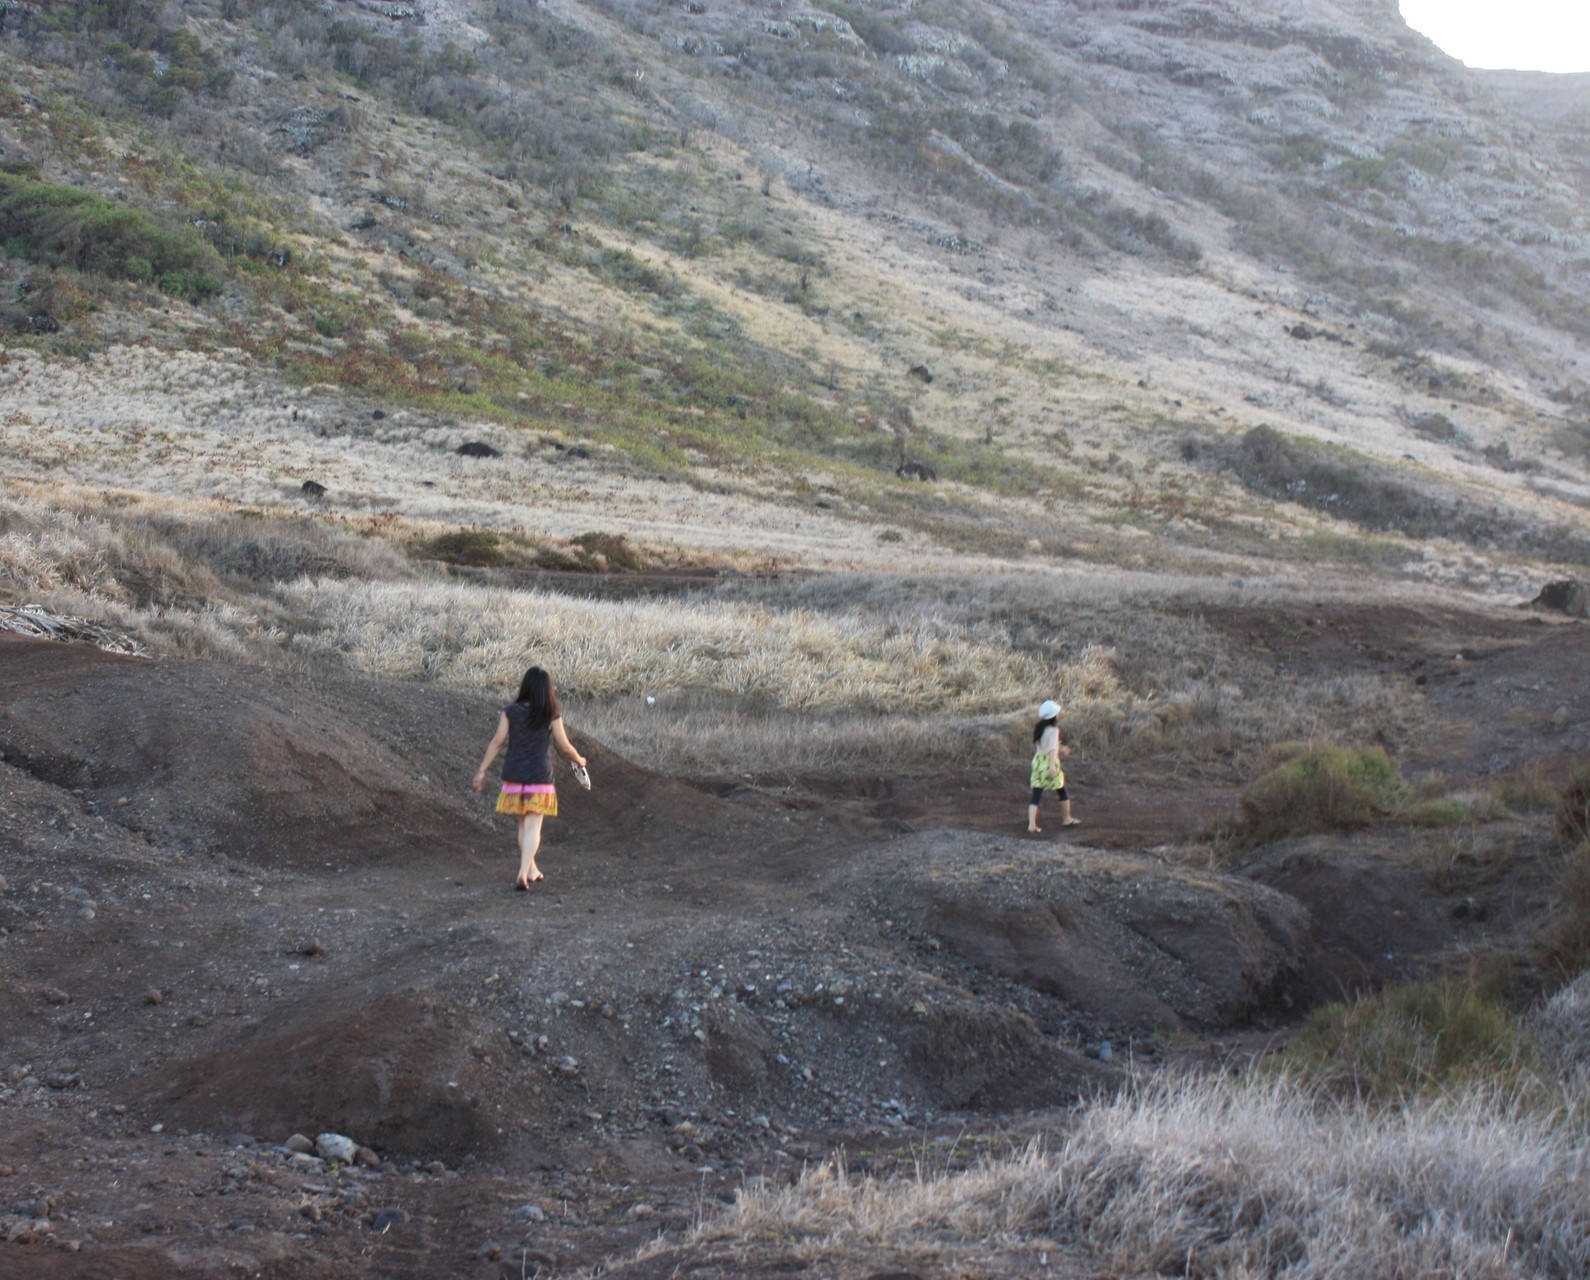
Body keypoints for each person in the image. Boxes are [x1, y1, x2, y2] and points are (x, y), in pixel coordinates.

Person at [473, 666, 587, 890]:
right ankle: (523, 873)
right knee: (534, 828)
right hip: (539, 777)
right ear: (547, 690)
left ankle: (532, 869)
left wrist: (482, 770)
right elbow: (564, 747)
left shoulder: (510, 711)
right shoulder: (551, 713)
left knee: (523, 825)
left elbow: (497, 742)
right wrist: (579, 760)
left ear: (525, 686)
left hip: (514, 776)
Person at [1027, 698, 1079, 833]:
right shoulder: (1054, 730)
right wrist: (1052, 765)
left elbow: (1047, 745)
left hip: (1038, 761)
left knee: (1036, 794)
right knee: (1061, 790)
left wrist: (1062, 748)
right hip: (1048, 762)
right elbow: (1052, 749)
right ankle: (1067, 818)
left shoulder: (1039, 728)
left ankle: (1031, 825)